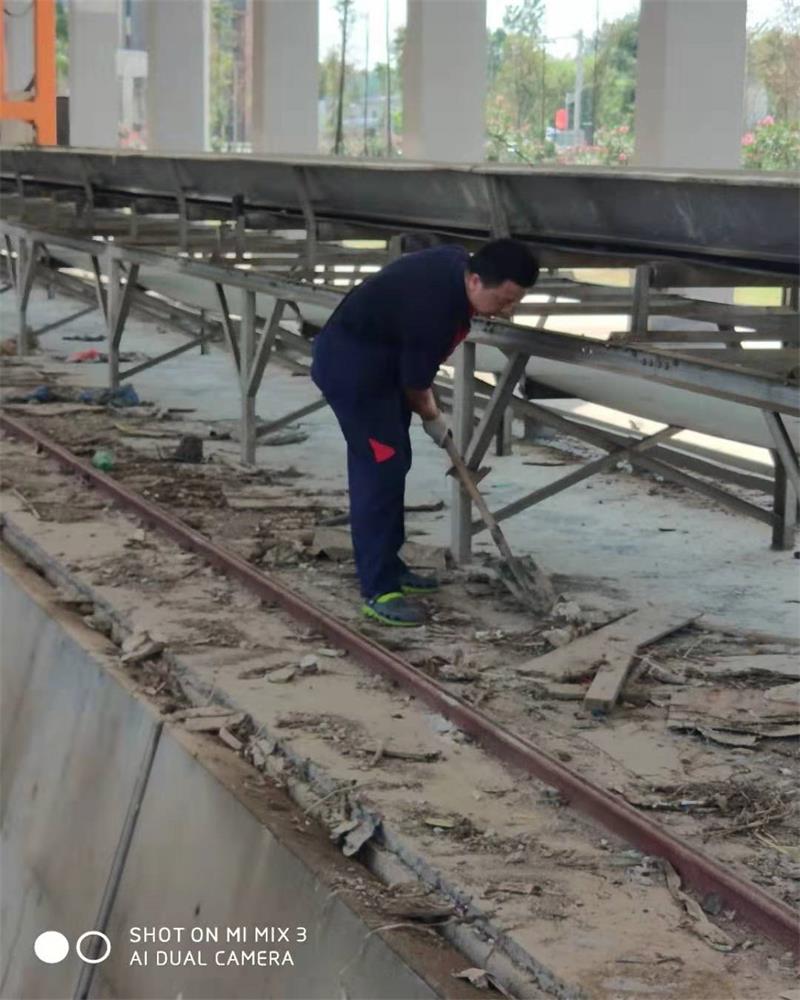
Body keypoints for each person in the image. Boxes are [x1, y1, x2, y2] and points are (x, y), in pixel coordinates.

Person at [311, 238, 540, 627]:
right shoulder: (435, 312)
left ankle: (390, 564)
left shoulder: (455, 265)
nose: (508, 309)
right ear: (475, 281)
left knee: (396, 461)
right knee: (380, 471)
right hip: (355, 376)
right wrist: (435, 420)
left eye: (515, 301)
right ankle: (379, 589)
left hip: (383, 366)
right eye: (503, 300)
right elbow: (417, 387)